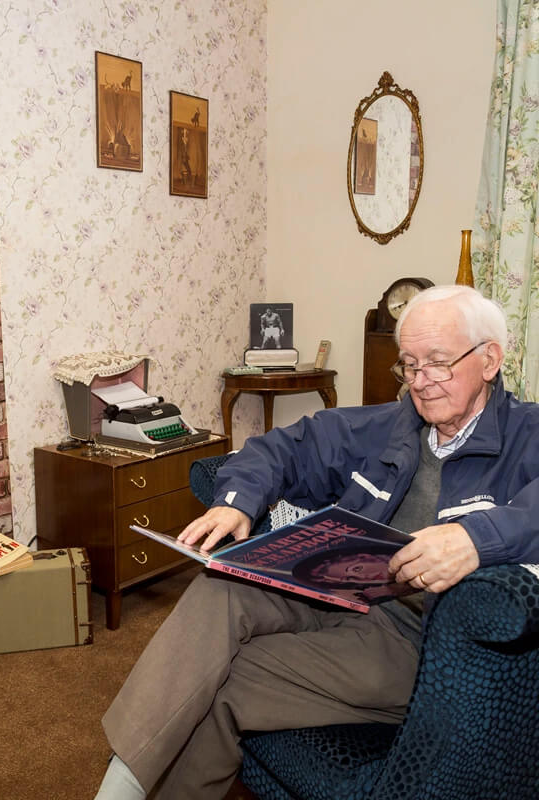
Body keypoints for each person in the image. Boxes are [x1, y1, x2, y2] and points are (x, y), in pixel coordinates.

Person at [94, 285, 539, 799]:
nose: (421, 382)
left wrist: (477, 538)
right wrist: (237, 500)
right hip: (335, 592)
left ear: (489, 360)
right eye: (409, 365)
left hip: (417, 642)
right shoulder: (388, 426)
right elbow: (278, 448)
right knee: (222, 586)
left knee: (219, 685)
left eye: (438, 363)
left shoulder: (527, 435)